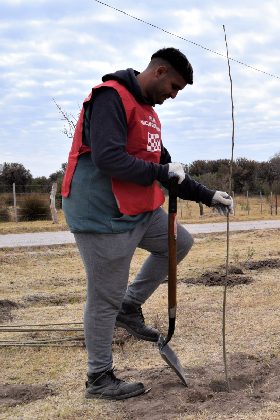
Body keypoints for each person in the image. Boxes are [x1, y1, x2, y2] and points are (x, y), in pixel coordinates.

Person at [61, 47, 234, 400]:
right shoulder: (111, 98)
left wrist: (208, 195)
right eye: (174, 87)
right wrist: (160, 172)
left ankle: (130, 303)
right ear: (158, 71)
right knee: (103, 297)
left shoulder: (149, 114)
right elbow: (110, 159)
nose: (173, 95)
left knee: (179, 243)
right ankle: (99, 378)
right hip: (102, 214)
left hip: (138, 209)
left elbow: (170, 172)